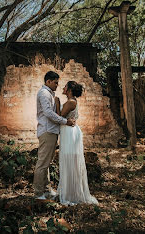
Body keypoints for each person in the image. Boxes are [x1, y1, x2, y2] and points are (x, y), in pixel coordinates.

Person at [33, 71, 75, 200]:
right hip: (47, 131)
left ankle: (47, 190)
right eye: (55, 82)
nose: (57, 85)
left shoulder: (50, 93)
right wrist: (65, 122)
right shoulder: (44, 93)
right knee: (42, 163)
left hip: (51, 131)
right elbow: (48, 113)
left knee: (47, 162)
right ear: (48, 81)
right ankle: (38, 193)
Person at [55, 81, 98, 205]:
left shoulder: (71, 102)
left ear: (69, 89)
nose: (63, 88)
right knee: (68, 161)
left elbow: (59, 117)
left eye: (65, 86)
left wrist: (57, 103)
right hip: (68, 131)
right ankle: (69, 191)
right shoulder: (71, 101)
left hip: (70, 134)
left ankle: (72, 194)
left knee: (70, 161)